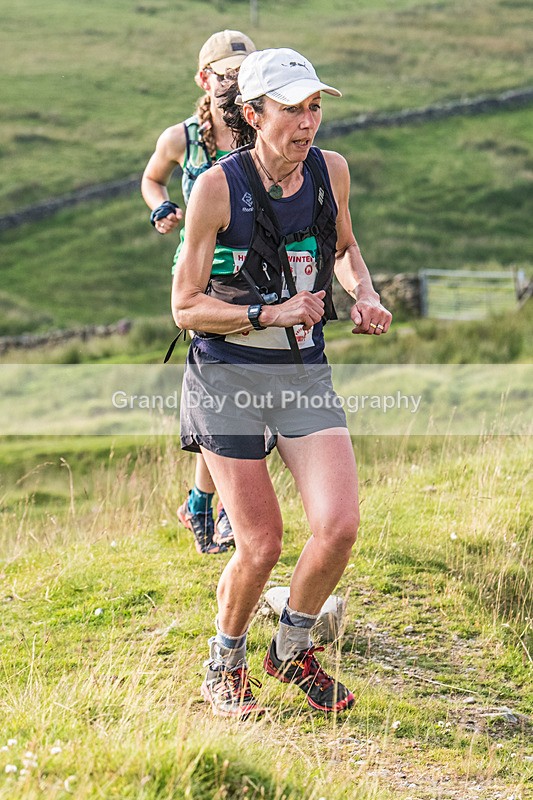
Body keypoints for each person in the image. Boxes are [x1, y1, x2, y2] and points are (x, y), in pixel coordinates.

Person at [171, 47, 392, 719]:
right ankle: (224, 663)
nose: (306, 123)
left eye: (314, 107)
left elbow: (345, 248)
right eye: (291, 110)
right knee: (261, 543)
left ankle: (291, 650)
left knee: (338, 525)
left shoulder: (331, 172)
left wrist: (365, 293)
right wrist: (266, 311)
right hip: (228, 375)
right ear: (252, 113)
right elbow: (184, 308)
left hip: (301, 372)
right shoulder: (216, 187)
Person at [141, 30, 256, 555]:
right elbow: (152, 179)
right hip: (197, 282)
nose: (233, 83)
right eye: (225, 74)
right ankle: (224, 507)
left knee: (228, 397)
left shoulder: (259, 129)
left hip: (253, 276)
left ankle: (201, 503)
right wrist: (160, 207)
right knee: (230, 395)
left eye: (242, 73)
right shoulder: (181, 137)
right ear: (203, 78)